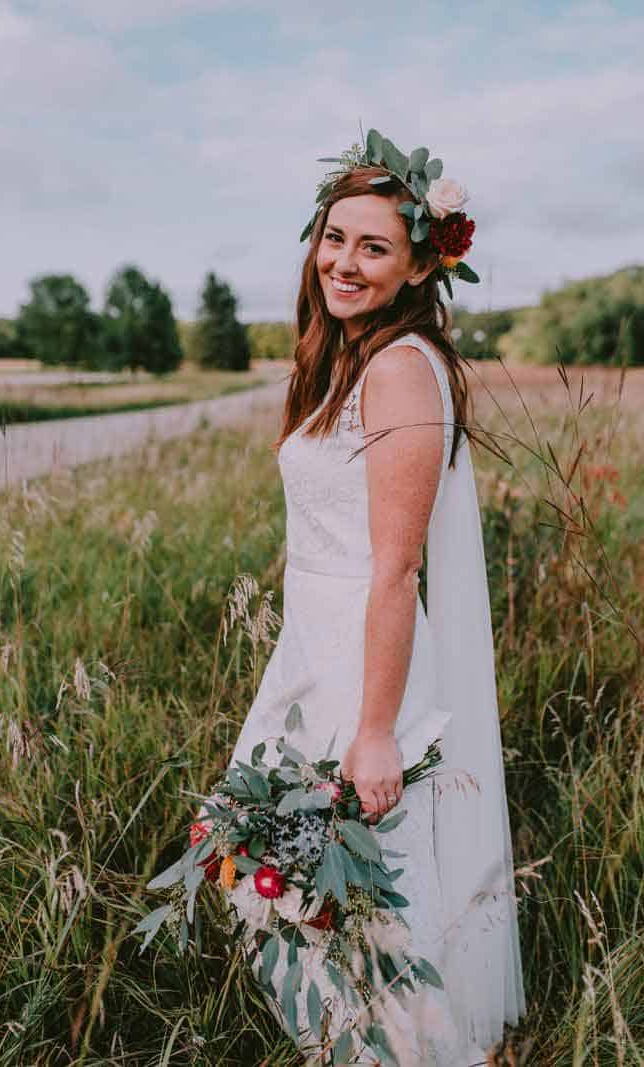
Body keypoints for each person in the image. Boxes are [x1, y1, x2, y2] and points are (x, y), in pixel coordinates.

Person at [228, 130, 525, 1064]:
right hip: (313, 646)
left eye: (373, 248)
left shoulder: (399, 367)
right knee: (287, 875)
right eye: (335, 238)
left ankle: (409, 1051)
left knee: (366, 895)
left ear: (415, 266)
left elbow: (394, 568)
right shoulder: (348, 357)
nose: (343, 263)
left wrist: (374, 728)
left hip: (366, 658)